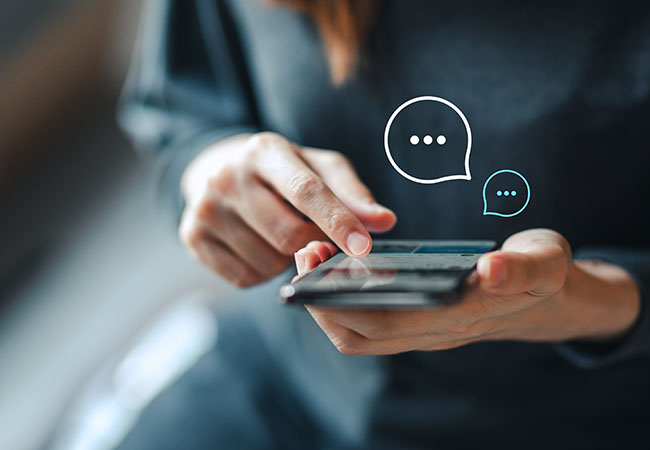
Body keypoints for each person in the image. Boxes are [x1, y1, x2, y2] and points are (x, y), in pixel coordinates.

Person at [117, 0, 650, 448]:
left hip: (569, 420)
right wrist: (211, 168)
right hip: (286, 374)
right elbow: (178, 104)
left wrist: (592, 299)